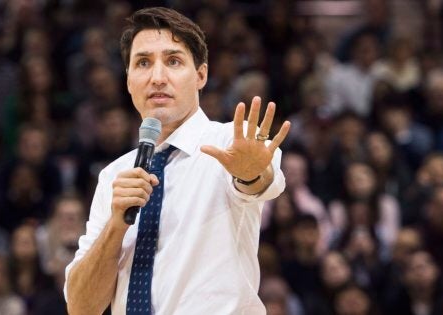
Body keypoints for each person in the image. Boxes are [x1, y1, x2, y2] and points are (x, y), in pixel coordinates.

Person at [64, 7, 290, 315]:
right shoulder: (114, 175)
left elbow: (261, 178)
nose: (157, 77)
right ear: (129, 80)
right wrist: (117, 224)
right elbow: (81, 307)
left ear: (201, 75)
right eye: (143, 63)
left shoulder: (231, 143)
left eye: (173, 61)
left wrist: (250, 175)